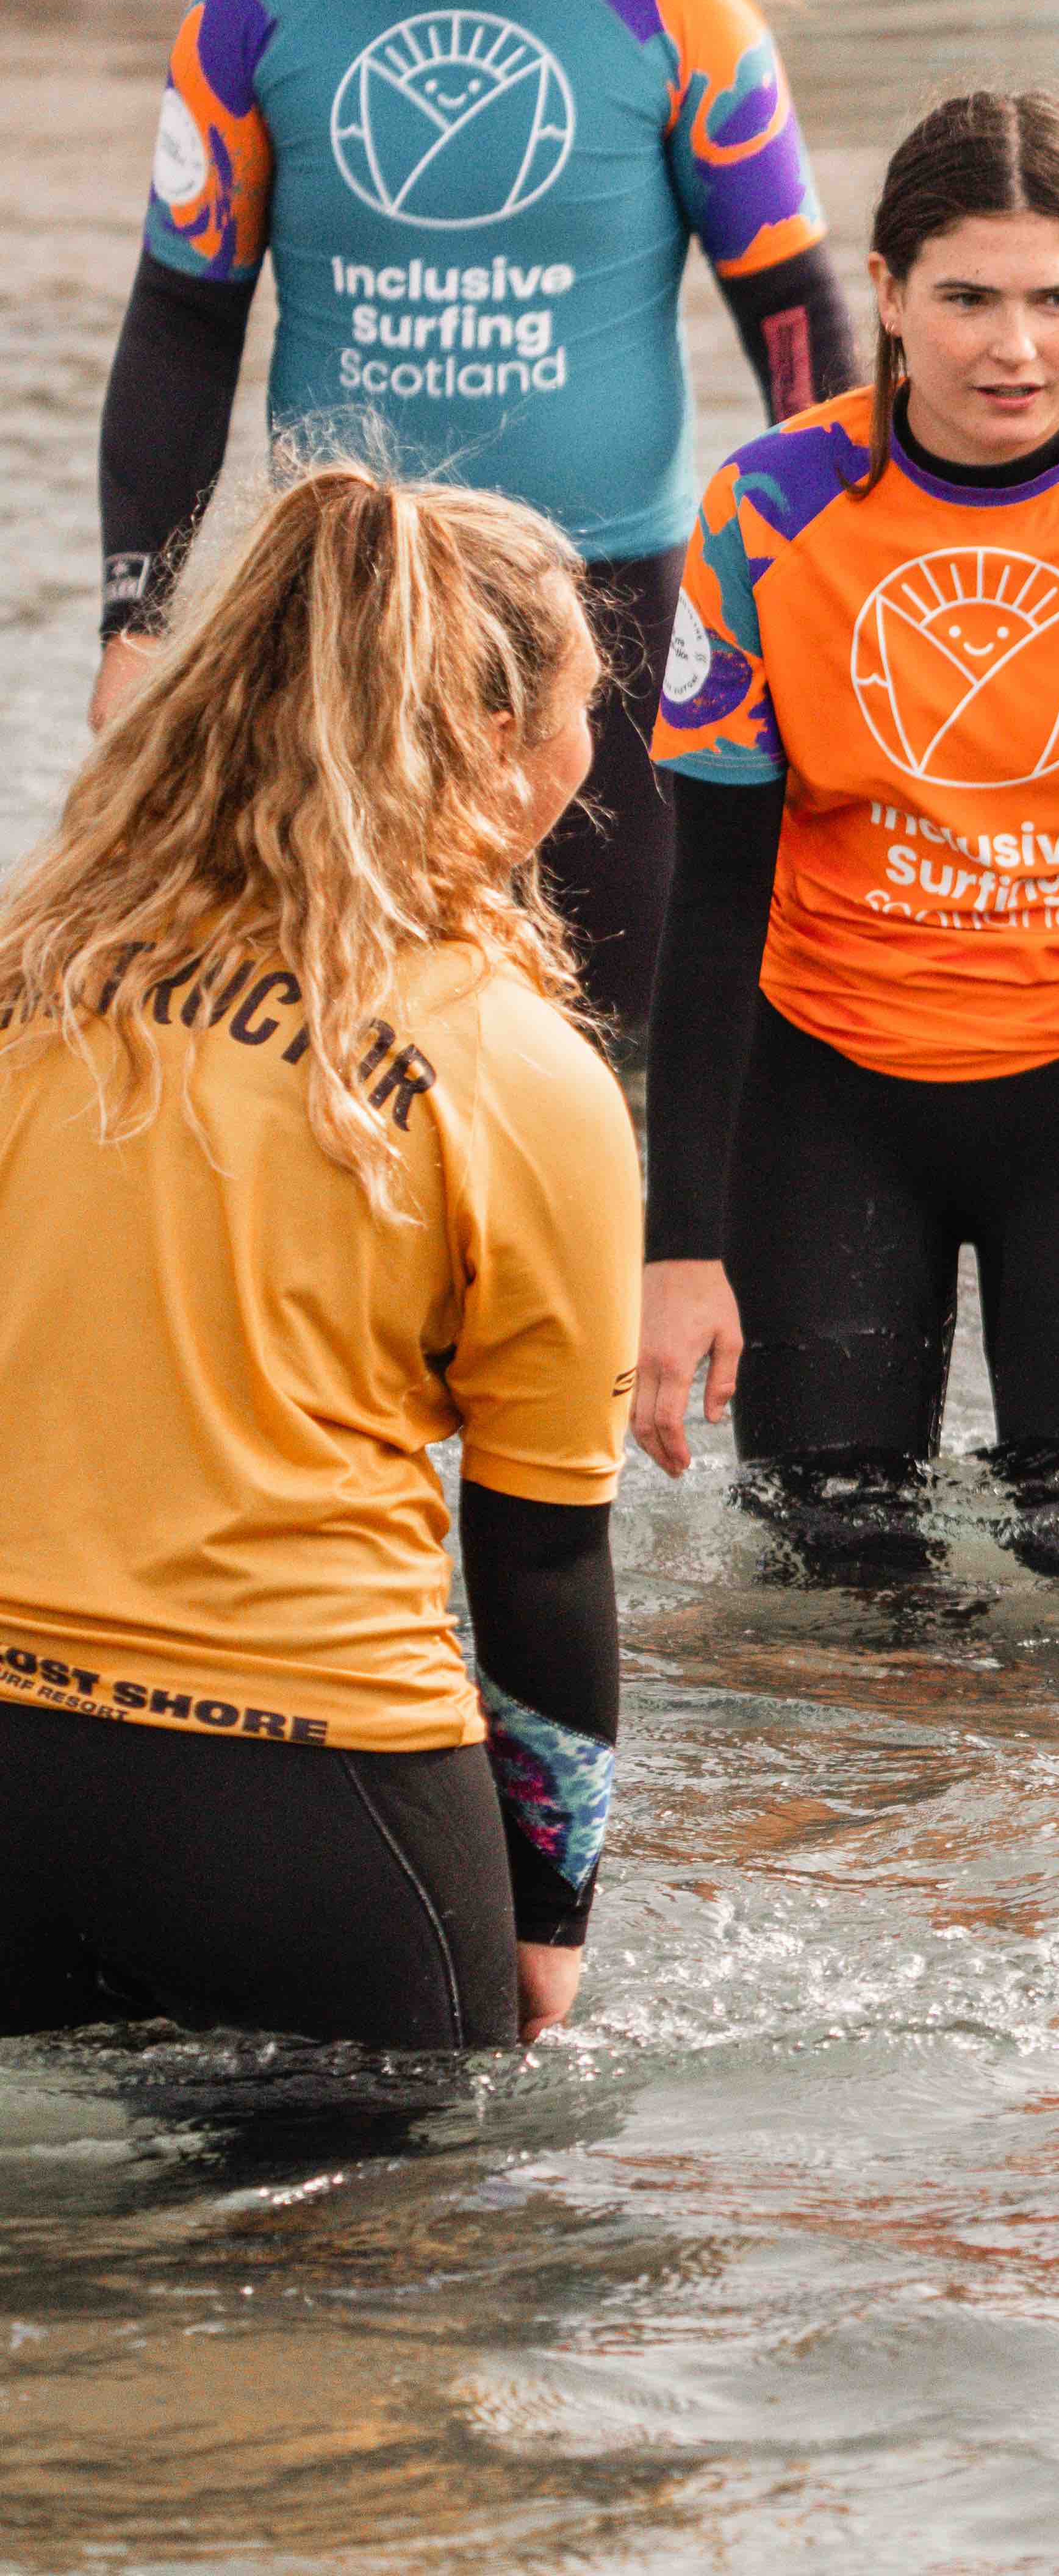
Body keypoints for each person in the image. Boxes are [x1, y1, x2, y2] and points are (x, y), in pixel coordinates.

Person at [0, 467, 633, 2053]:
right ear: (496, 750)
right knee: (377, 2292)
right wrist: (551, 1910)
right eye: (579, 709)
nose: (587, 752)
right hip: (312, 1799)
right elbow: (542, 1553)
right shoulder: (518, 1071)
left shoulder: (36, 973)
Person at [104, 0, 860, 1042]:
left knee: (619, 1056)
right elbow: (181, 324)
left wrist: (844, 579)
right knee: (334, 1038)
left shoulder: (676, 6)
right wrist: (140, 615)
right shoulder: (253, 10)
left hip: (607, 628)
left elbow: (794, 321)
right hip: (341, 623)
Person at [632, 90, 1059, 1581]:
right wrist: (681, 1246)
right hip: (832, 1101)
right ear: (884, 291)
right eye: (968, 299)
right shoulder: (767, 510)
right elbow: (716, 900)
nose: (1016, 346)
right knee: (833, 1580)